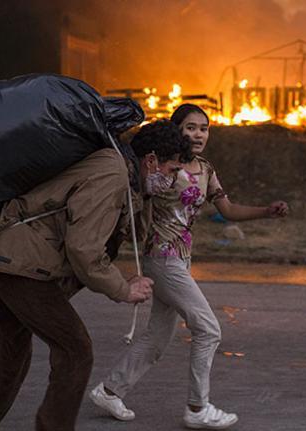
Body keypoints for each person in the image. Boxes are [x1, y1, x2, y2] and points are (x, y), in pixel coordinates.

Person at [0, 120, 191, 431]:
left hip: (9, 259)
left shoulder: (124, 175)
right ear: (151, 161)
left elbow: (125, 234)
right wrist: (121, 288)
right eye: (172, 171)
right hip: (23, 266)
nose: (173, 180)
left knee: (8, 357)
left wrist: (146, 195)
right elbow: (83, 248)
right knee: (75, 351)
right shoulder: (112, 172)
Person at [90, 104, 289, 429]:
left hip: (181, 259)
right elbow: (136, 197)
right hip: (162, 257)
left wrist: (266, 211)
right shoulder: (164, 169)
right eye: (190, 127)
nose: (198, 134)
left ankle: (110, 390)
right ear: (176, 131)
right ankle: (198, 407)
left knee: (158, 334)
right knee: (208, 329)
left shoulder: (206, 169)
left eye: (204, 128)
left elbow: (227, 208)